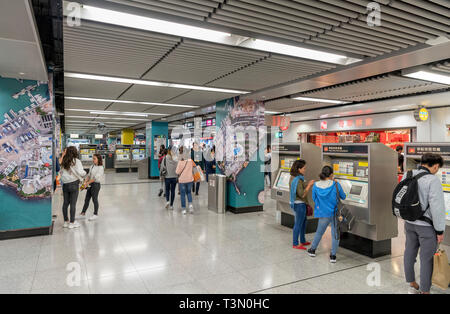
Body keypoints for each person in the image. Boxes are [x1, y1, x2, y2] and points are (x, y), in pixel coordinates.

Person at [402, 153, 446, 294]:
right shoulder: (433, 180)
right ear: (435, 166)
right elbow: (437, 208)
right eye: (437, 168)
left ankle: (412, 282)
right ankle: (425, 290)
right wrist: (440, 230)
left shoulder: (408, 174)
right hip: (426, 227)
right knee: (426, 259)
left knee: (409, 252)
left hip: (409, 222)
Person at [307, 166, 346, 263]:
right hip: (334, 213)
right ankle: (333, 256)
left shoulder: (315, 185)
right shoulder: (335, 184)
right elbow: (343, 196)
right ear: (331, 174)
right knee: (335, 234)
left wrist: (322, 205)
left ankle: (312, 250)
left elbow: (314, 198)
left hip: (322, 213)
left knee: (319, 232)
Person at [289, 160, 314, 250]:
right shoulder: (297, 180)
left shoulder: (294, 177)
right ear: (299, 169)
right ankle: (295, 243)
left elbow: (301, 186)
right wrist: (309, 186)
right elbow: (302, 194)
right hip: (299, 204)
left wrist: (307, 183)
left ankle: (302, 240)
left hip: (298, 204)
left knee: (303, 223)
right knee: (298, 223)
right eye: (304, 168)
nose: (305, 170)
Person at [59, 146, 86, 229]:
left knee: (65, 203)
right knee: (73, 204)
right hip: (74, 184)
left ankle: (65, 222)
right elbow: (81, 173)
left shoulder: (64, 160)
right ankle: (72, 222)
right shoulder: (77, 161)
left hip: (65, 184)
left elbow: (60, 169)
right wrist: (85, 173)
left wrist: (63, 155)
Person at [80, 154, 104, 221]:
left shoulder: (100, 168)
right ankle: (83, 213)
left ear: (98, 159)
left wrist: (87, 183)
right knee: (87, 199)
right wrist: (85, 181)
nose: (93, 160)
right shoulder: (92, 166)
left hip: (96, 185)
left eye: (94, 159)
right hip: (90, 184)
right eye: (93, 158)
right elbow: (89, 175)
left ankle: (95, 214)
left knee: (94, 199)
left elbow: (95, 178)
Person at [176, 148, 195, 215]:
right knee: (189, 193)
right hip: (190, 180)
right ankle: (190, 206)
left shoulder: (180, 162)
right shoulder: (190, 161)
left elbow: (177, 172)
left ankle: (184, 209)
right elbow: (194, 168)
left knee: (183, 195)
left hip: (182, 181)